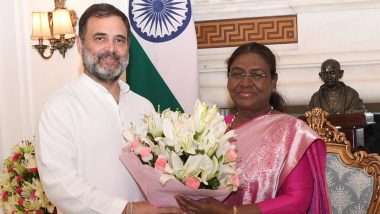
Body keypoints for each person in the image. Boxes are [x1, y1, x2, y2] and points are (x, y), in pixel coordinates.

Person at [36, 4, 180, 214]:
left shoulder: (144, 106)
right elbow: (60, 185)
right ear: (79, 44)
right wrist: (126, 210)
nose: (111, 49)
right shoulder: (60, 107)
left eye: (119, 40)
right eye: (100, 38)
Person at [175, 42, 331, 213]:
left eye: (256, 75)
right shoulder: (211, 129)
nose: (245, 82)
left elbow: (297, 201)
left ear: (273, 81)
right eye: (237, 74)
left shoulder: (293, 133)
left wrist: (231, 212)